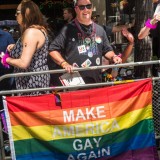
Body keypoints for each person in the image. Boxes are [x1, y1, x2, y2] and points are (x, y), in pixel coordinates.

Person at [49, 0, 122, 84]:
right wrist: (64, 63)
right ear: (76, 9)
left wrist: (114, 57)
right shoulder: (68, 29)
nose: (85, 9)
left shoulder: (100, 30)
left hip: (95, 82)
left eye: (88, 6)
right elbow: (53, 49)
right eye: (81, 7)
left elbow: (107, 50)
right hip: (74, 83)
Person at [1, 0, 50, 95]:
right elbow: (34, 49)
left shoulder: (31, 32)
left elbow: (24, 63)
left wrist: (6, 59)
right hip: (32, 80)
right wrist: (16, 46)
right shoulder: (37, 29)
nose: (15, 15)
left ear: (26, 13)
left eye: (17, 12)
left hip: (32, 83)